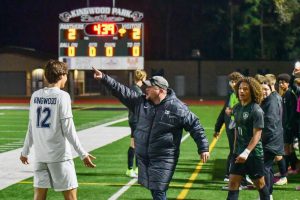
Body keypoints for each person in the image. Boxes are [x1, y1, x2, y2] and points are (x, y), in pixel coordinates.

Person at [93, 67, 210, 200]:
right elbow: (121, 91)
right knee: (155, 191)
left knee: (158, 190)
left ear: (160, 90)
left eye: (149, 87)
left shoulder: (177, 108)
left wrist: (203, 147)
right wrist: (104, 78)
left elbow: (195, 125)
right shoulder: (141, 102)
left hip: (164, 157)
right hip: (145, 157)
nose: (145, 89)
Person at [20, 60, 96, 200]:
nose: (67, 77)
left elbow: (31, 127)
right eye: (66, 74)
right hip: (59, 157)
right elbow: (69, 129)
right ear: (61, 75)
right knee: (71, 197)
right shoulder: (62, 96)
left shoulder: (35, 96)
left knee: (39, 197)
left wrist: (25, 151)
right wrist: (82, 154)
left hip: (40, 157)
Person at [226, 77, 270, 200]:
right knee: (233, 184)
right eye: (240, 88)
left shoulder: (256, 110)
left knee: (260, 185)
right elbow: (236, 130)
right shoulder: (236, 108)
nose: (241, 91)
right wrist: (234, 152)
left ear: (252, 91)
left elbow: (257, 135)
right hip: (238, 154)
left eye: (245, 89)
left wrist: (246, 152)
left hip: (253, 155)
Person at [257, 76, 284, 199]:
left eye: (265, 89)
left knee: (264, 169)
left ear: (271, 88)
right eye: (261, 89)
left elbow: (270, 124)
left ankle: (266, 196)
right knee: (268, 168)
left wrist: (260, 139)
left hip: (270, 141)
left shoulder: (271, 101)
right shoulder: (273, 98)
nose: (263, 92)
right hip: (274, 139)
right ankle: (269, 193)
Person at [214, 72, 243, 182]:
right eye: (231, 81)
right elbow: (224, 112)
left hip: (239, 125)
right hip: (232, 126)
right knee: (234, 150)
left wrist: (232, 111)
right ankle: (229, 174)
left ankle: (237, 174)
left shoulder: (240, 93)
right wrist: (217, 127)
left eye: (235, 81)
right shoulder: (232, 94)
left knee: (238, 150)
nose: (233, 83)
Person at [126, 69, 147, 178]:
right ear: (142, 78)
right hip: (135, 120)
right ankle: (130, 169)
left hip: (134, 119)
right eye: (145, 78)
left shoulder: (135, 88)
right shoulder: (136, 90)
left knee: (138, 144)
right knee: (134, 145)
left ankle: (138, 169)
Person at [277, 73, 298, 180]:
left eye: (283, 82)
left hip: (288, 126)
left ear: (288, 83)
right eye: (279, 82)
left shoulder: (290, 95)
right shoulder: (285, 94)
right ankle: (292, 168)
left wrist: (288, 124)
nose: (281, 84)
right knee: (288, 148)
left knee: (286, 148)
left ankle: (285, 171)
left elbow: (293, 112)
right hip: (285, 125)